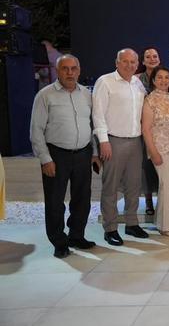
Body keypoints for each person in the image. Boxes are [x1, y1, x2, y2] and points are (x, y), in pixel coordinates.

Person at [30, 54, 99, 257]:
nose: (70, 73)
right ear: (57, 71)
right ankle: (59, 242)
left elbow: (92, 125)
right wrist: (45, 159)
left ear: (79, 70)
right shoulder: (45, 95)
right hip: (56, 155)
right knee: (54, 201)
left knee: (82, 199)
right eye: (65, 68)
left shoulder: (86, 94)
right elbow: (36, 130)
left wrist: (94, 153)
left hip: (83, 153)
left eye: (73, 68)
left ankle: (76, 236)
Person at [93, 48, 149, 246]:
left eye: (133, 62)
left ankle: (132, 223)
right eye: (125, 61)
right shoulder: (105, 81)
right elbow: (98, 113)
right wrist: (103, 141)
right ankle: (110, 228)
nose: (129, 65)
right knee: (111, 187)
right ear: (117, 62)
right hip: (113, 140)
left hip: (136, 141)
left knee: (133, 185)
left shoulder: (138, 83)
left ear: (137, 64)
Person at [142, 66, 169, 236]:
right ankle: (167, 226)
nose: (163, 81)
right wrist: (153, 152)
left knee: (167, 186)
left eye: (167, 78)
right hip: (159, 148)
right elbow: (146, 129)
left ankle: (160, 221)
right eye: (160, 77)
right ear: (153, 80)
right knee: (167, 185)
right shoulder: (150, 100)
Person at [136, 47, 161, 216]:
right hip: (143, 126)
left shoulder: (164, 76)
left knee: (162, 164)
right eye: (148, 57)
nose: (152, 59)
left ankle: (163, 199)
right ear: (143, 61)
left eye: (155, 56)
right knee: (146, 165)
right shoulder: (137, 80)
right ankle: (148, 201)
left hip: (162, 128)